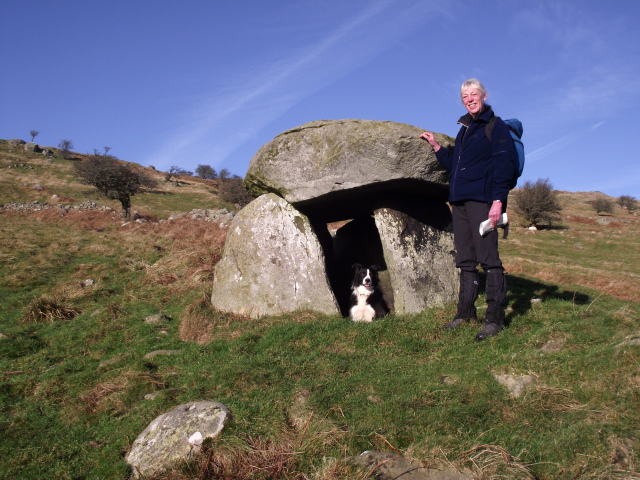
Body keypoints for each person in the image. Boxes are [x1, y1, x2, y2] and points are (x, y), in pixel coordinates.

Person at [420, 78, 516, 340]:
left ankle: (495, 319)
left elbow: (504, 164)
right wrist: (437, 147)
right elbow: (456, 165)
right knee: (465, 259)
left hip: (483, 201)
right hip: (460, 201)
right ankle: (465, 314)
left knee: (489, 258)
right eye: (465, 96)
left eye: (474, 94)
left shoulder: (495, 126)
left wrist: (498, 201)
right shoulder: (463, 130)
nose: (470, 99)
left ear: (484, 96)